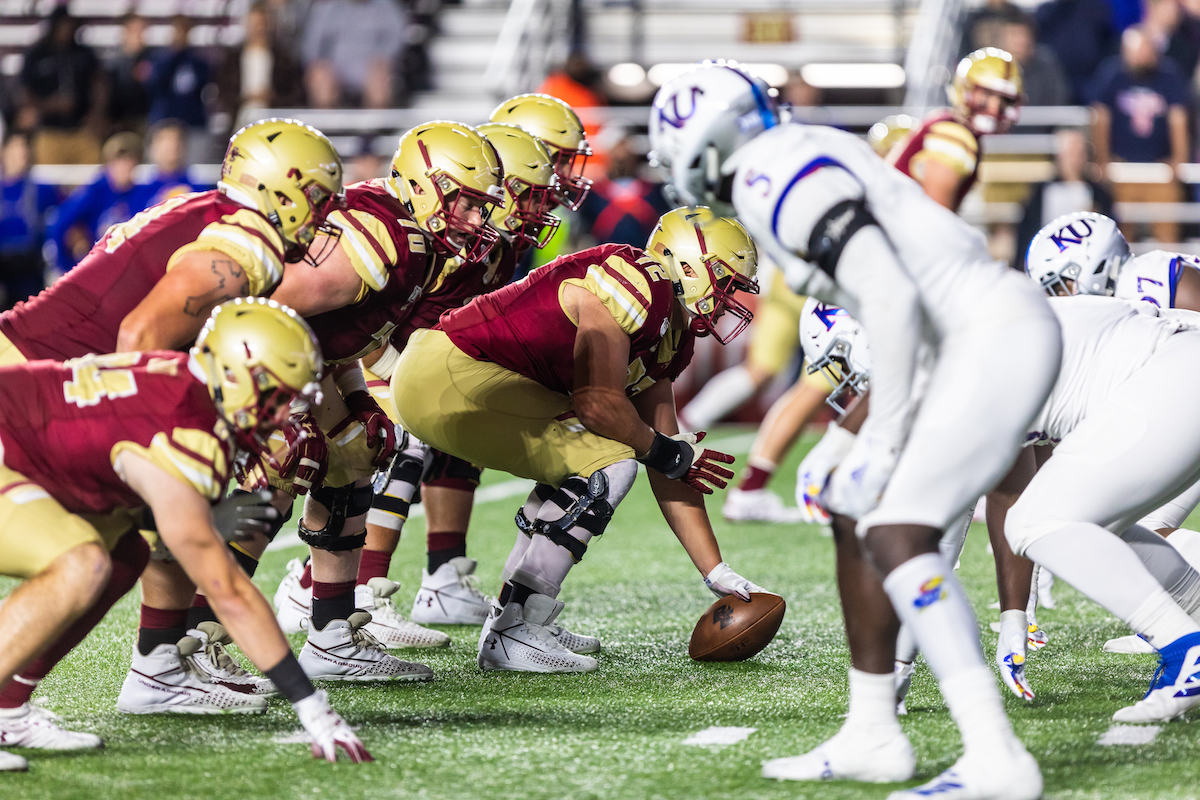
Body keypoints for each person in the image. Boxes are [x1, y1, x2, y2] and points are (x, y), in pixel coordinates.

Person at [650, 61, 1061, 799]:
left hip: (985, 335)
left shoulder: (768, 177)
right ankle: (874, 730)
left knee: (894, 527)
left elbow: (894, 298)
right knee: (856, 512)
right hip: (973, 334)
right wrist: (854, 438)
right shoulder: (791, 152)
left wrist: (877, 439)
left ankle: (995, 755)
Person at [0, 119, 344, 715]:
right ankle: (143, 671)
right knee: (107, 547)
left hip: (37, 371)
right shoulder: (250, 249)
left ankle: (28, 702)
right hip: (33, 387)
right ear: (279, 191)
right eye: (315, 198)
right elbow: (139, 332)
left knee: (124, 551)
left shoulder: (214, 211)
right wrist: (149, 423)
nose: (320, 217)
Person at [387, 207, 769, 673]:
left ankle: (514, 614)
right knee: (610, 460)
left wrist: (714, 570)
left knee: (593, 452)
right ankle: (516, 628)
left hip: (465, 376)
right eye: (726, 281)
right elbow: (598, 404)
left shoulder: (670, 329)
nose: (732, 298)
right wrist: (665, 452)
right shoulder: (639, 280)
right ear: (686, 266)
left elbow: (668, 454)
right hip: (447, 373)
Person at [0, 299, 369, 769]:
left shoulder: (178, 374)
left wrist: (203, 516)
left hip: (22, 451)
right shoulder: (188, 435)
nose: (280, 416)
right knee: (81, 563)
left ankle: (7, 707)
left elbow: (108, 459)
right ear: (236, 376)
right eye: (276, 397)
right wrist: (313, 709)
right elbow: (228, 591)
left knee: (124, 554)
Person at [1091, 25, 1190, 243]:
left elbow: (1178, 119)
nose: (1142, 57)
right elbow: (1100, 118)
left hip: (1159, 167)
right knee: (1119, 233)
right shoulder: (1113, 75)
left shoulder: (1169, 76)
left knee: (1167, 232)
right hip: (1122, 166)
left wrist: (1179, 158)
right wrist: (1103, 159)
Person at [1015, 130, 1114, 272]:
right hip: (1046, 262)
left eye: (1079, 153)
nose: (1074, 159)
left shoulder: (1099, 194)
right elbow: (1027, 232)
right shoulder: (1041, 192)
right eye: (1070, 153)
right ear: (1059, 156)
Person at [18, 7, 104, 165]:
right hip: (48, 131)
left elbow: (99, 84)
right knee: (49, 181)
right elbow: (25, 89)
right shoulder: (36, 54)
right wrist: (48, 105)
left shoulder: (84, 53)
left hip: (81, 129)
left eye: (69, 24)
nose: (66, 29)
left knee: (87, 178)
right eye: (61, 25)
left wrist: (96, 113)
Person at [48, 132, 142, 273]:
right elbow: (60, 223)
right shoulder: (95, 191)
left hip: (129, 267)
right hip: (97, 268)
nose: (123, 167)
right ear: (109, 164)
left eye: (128, 161)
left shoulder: (140, 193)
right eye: (118, 161)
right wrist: (65, 268)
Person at [302, 0, 408, 109]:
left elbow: (396, 39)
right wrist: (319, 65)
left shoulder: (386, 7)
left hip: (372, 67)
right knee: (319, 74)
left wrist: (383, 58)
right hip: (335, 69)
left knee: (380, 74)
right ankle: (325, 123)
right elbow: (312, 44)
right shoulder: (327, 7)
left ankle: (376, 123)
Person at [0, 132, 58, 308]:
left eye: (24, 149)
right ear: (4, 152)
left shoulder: (42, 189)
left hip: (30, 264)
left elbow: (68, 214)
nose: (21, 154)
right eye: (16, 149)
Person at [145, 17, 214, 164]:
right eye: (178, 30)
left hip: (193, 123)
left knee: (195, 166)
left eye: (185, 30)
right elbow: (155, 84)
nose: (181, 35)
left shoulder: (198, 62)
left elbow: (204, 83)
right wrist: (175, 54)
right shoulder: (160, 60)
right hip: (164, 120)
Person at [1035, 0, 1118, 105]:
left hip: (1090, 82)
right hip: (1055, 79)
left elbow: (1109, 45)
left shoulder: (1097, 10)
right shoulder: (1047, 12)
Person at [106, 14, 153, 133]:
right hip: (117, 121)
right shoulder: (113, 60)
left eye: (142, 30)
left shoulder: (153, 59)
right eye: (135, 30)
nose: (139, 34)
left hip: (145, 120)